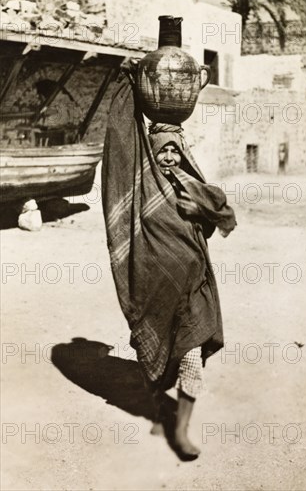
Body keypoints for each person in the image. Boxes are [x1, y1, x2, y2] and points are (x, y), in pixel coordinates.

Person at [102, 59, 236, 460]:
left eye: (177, 151)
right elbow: (123, 148)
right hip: (155, 287)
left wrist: (204, 214)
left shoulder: (194, 190)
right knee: (155, 361)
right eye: (163, 152)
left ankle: (181, 430)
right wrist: (129, 86)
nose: (171, 158)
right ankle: (160, 409)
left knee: (192, 359)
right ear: (153, 154)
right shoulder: (143, 191)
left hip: (193, 292)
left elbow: (221, 213)